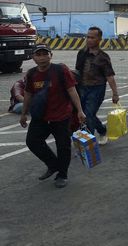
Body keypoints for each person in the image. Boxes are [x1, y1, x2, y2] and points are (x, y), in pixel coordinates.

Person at [20, 44, 86, 188]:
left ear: (51, 55)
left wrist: (80, 110)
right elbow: (28, 95)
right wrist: (24, 114)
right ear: (33, 57)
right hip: (41, 117)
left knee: (63, 146)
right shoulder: (31, 74)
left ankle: (62, 174)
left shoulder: (60, 70)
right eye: (39, 54)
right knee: (32, 141)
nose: (42, 57)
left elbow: (72, 90)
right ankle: (53, 164)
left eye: (45, 54)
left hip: (61, 115)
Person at [76, 27, 119, 145]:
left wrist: (115, 93)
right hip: (82, 88)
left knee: (89, 114)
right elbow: (78, 71)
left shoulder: (103, 57)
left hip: (97, 89)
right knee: (83, 114)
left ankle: (87, 143)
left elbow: (110, 76)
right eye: (87, 37)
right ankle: (102, 130)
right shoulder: (81, 53)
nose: (89, 40)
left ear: (99, 39)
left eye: (92, 37)